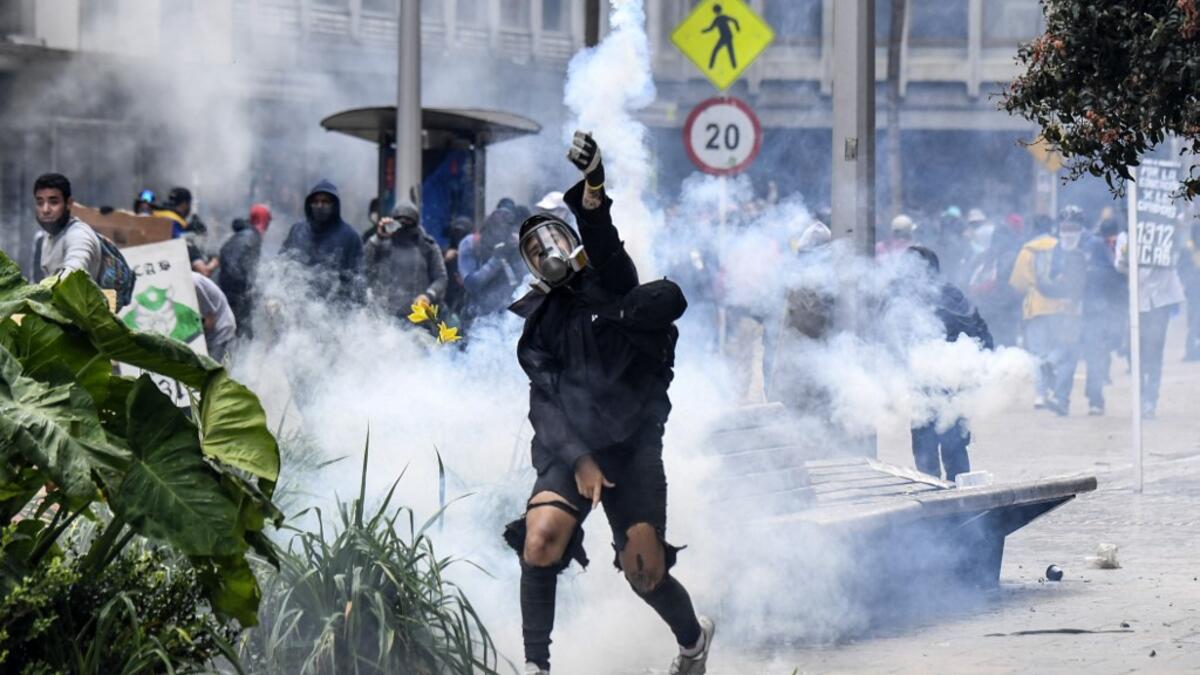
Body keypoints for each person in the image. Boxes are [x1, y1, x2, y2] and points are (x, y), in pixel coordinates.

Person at [503, 132, 714, 675]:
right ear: (528, 265)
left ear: (570, 243)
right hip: (570, 449)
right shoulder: (537, 328)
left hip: (632, 444)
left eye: (550, 238)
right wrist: (579, 459)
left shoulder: (612, 280)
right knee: (543, 537)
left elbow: (603, 236)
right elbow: (544, 406)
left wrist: (594, 185)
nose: (544, 251)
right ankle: (536, 666)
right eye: (532, 249)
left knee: (645, 571)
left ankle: (693, 643)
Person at [905, 246, 994, 482]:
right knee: (935, 443)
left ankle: (948, 496)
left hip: (950, 379)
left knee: (944, 442)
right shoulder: (910, 298)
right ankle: (941, 494)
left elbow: (977, 329)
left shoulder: (945, 296)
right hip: (926, 381)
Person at [1009, 214, 1087, 416]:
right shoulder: (1060, 247)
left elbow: (1018, 281)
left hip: (1036, 306)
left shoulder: (1028, 250)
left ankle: (1040, 395)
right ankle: (1059, 395)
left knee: (1038, 352)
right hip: (1062, 306)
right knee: (1063, 350)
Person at [1116, 226, 1185, 419]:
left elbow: (1174, 259)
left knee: (1154, 354)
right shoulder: (1126, 236)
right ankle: (1139, 398)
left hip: (1159, 302)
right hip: (1137, 303)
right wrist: (1127, 256)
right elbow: (1120, 266)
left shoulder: (1166, 232)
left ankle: (1150, 401)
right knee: (1135, 354)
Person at [281, 179, 364, 303]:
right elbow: (282, 262)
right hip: (299, 306)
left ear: (334, 205)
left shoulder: (350, 236)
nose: (320, 206)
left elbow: (357, 277)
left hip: (334, 309)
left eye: (325, 202)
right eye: (315, 201)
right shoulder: (298, 230)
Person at [363, 199, 448, 318]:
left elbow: (441, 278)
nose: (404, 224)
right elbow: (363, 265)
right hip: (385, 320)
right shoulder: (381, 243)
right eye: (400, 220)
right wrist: (377, 238)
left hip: (418, 318)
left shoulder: (427, 246)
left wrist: (428, 295)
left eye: (408, 220)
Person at [1079, 218, 1126, 415]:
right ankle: (1095, 397)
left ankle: (1094, 397)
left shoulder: (1090, 268)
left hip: (1097, 317)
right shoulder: (1108, 268)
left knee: (1095, 356)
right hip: (1102, 317)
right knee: (1098, 356)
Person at [31, 173, 102, 282]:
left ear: (69, 203)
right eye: (40, 203)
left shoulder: (79, 235)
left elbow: (74, 270)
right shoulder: (48, 235)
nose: (45, 210)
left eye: (53, 202)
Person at [461, 208, 524, 321]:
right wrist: (496, 259)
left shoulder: (513, 245)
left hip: (508, 313)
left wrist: (520, 251)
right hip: (479, 314)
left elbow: (524, 280)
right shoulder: (472, 244)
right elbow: (471, 283)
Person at [217, 205, 270, 336]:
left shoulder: (247, 234)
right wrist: (244, 290)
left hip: (235, 296)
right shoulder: (250, 236)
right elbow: (231, 263)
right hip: (235, 298)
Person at [192, 271, 237, 362]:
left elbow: (210, 322)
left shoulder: (194, 283)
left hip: (220, 332)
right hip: (207, 334)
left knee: (217, 371)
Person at [1179, 223, 1200, 361]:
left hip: (1192, 287)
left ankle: (1193, 349)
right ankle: (1193, 349)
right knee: (1195, 319)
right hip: (1194, 287)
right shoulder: (1190, 250)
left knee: (1194, 319)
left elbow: (1182, 269)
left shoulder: (1188, 249)